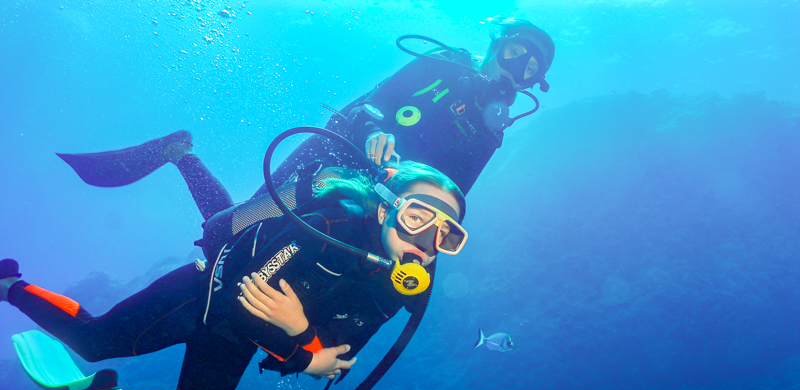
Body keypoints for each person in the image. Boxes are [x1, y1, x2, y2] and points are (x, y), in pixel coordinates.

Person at [0, 161, 468, 390]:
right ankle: (10, 284)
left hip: (231, 342)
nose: (427, 240)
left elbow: (339, 355)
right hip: (200, 295)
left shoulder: (402, 291)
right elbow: (244, 308)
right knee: (92, 341)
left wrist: (303, 339)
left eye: (446, 235)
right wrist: (305, 346)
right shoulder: (329, 223)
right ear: (388, 208)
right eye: (417, 216)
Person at [57, 18, 554, 223]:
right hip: (335, 146)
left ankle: (182, 155)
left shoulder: (493, 135)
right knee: (236, 226)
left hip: (373, 202)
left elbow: (454, 198)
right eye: (515, 52)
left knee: (269, 251)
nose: (518, 68)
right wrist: (375, 129)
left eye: (532, 67)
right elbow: (371, 102)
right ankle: (182, 153)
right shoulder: (442, 65)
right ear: (496, 45)